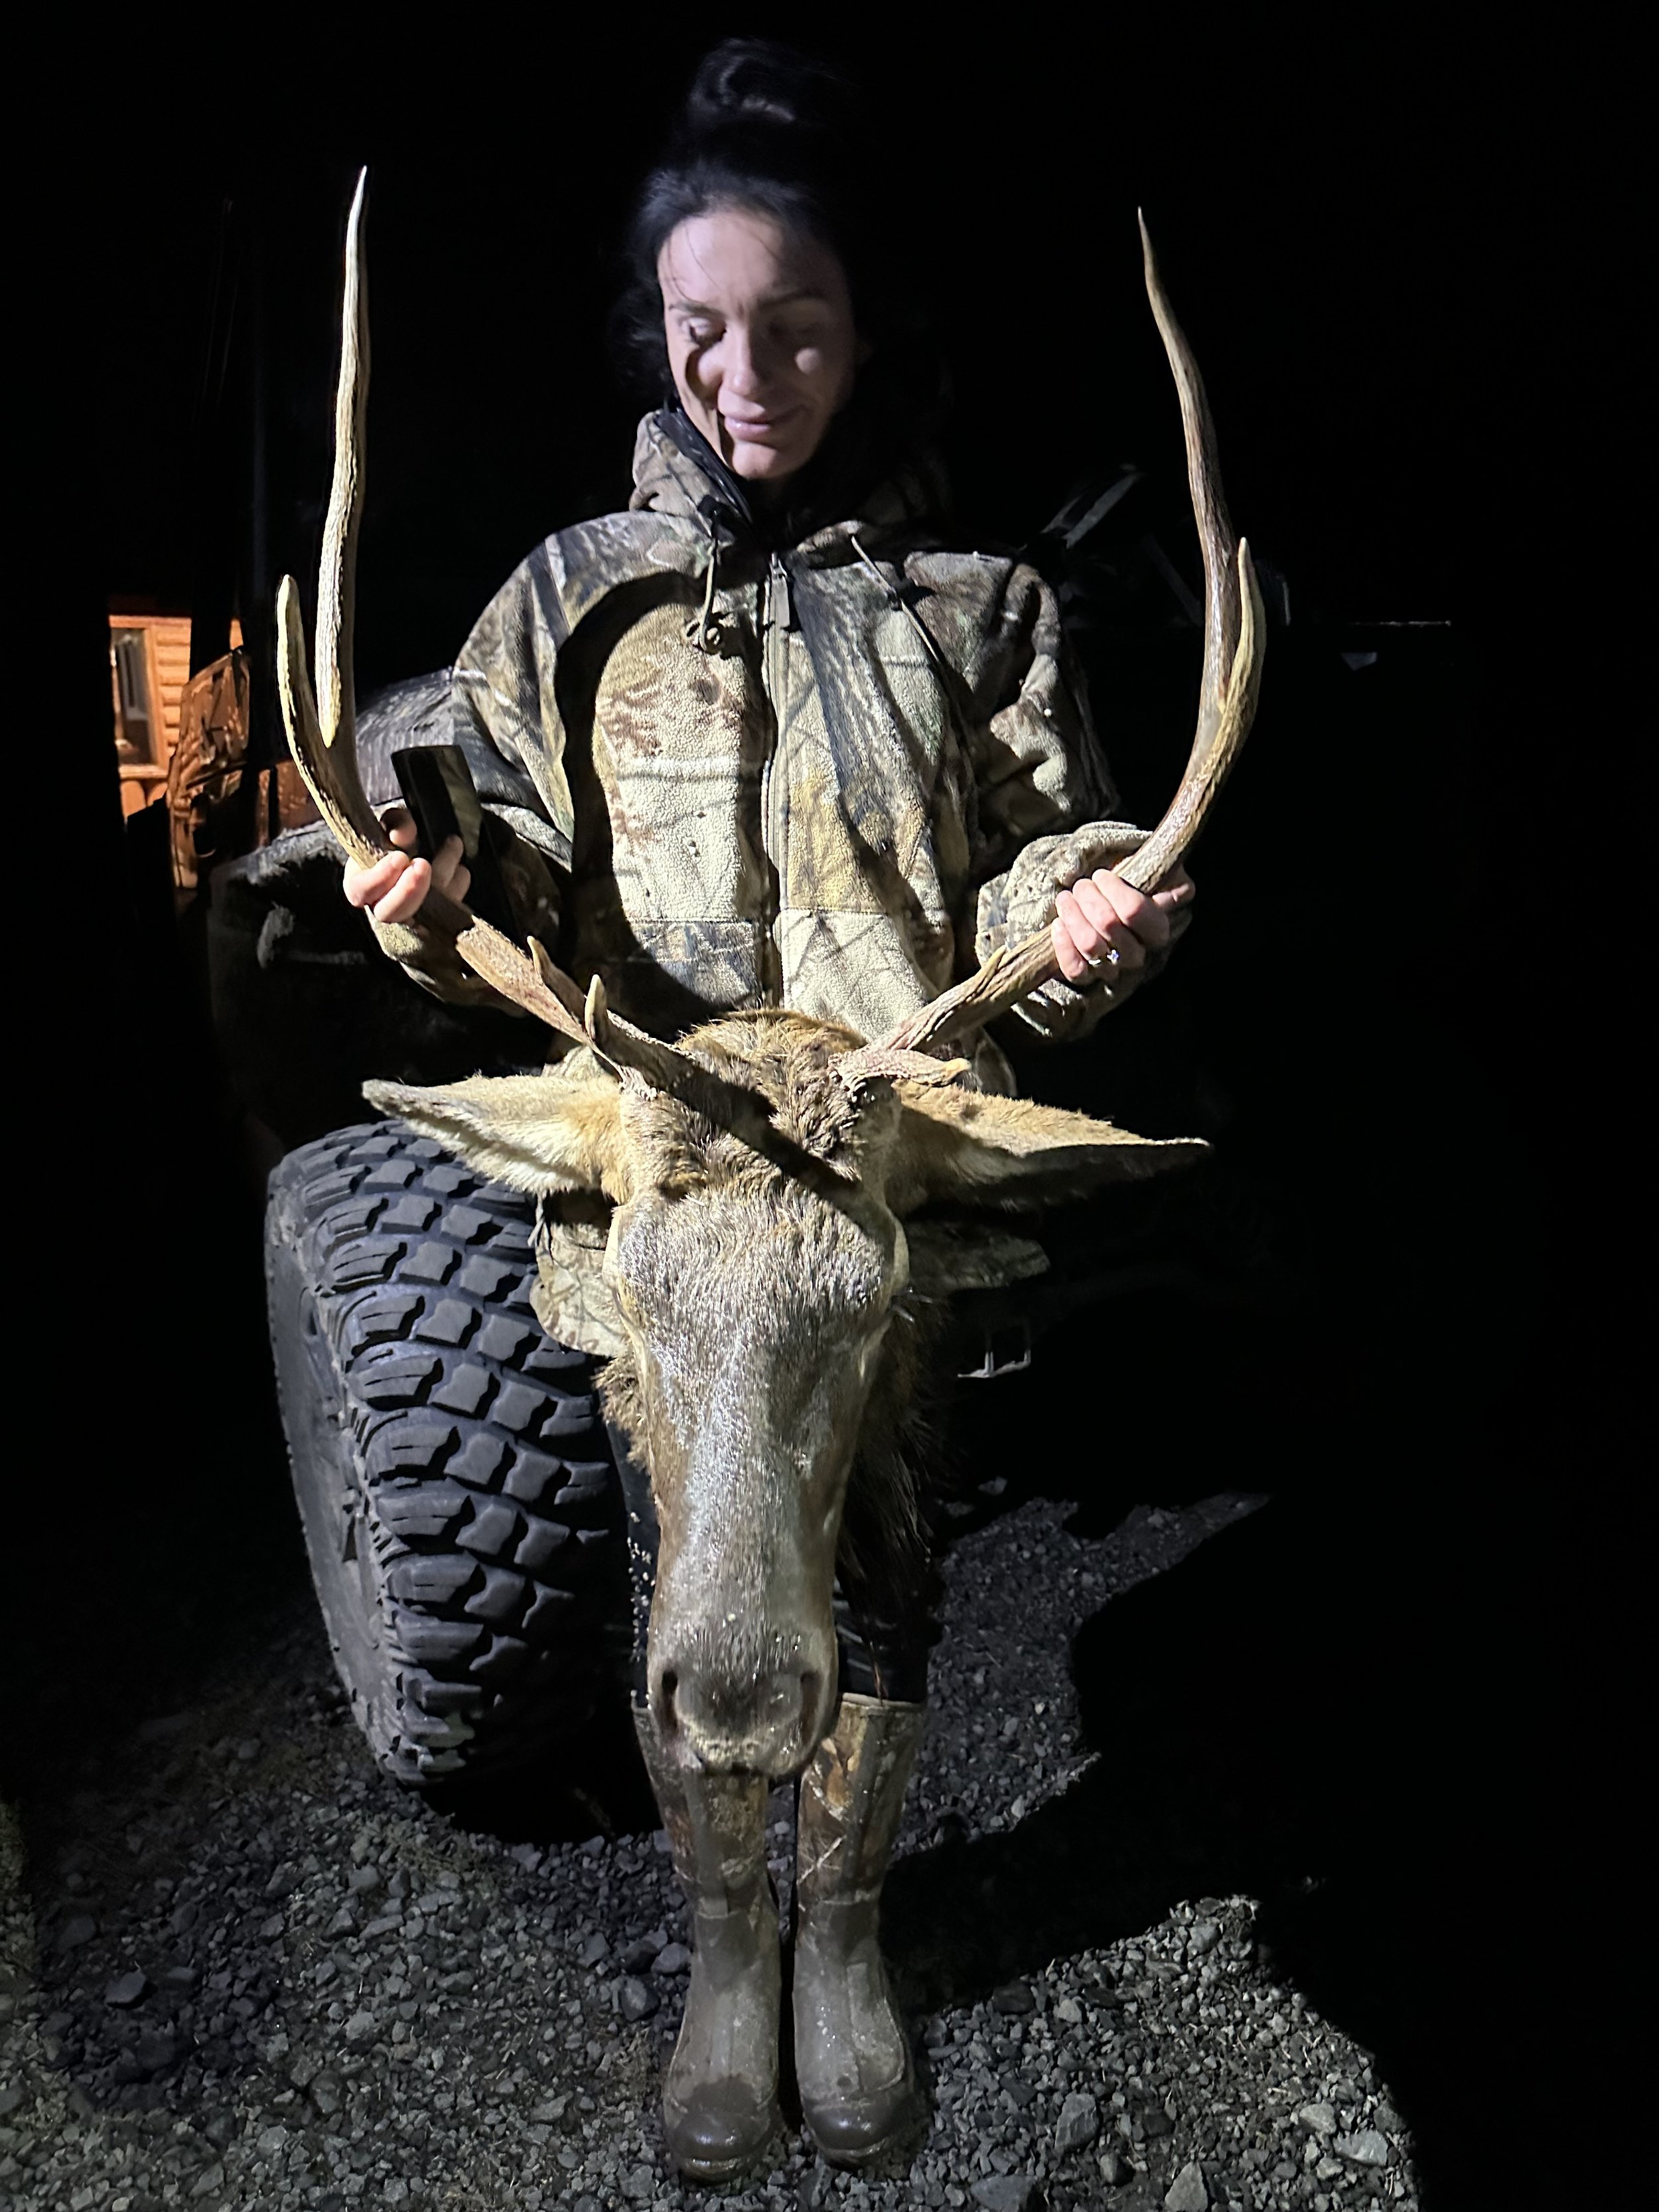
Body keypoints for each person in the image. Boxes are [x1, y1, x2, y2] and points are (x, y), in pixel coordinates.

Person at [340, 39, 1194, 2180]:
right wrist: (429, 894)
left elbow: (1035, 862)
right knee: (697, 1573)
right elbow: (492, 863)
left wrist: (1085, 914)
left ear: (862, 325)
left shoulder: (981, 608)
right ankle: (732, 1950)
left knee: (884, 1575)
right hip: (666, 1180)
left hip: (878, 1175)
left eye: (796, 327)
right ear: (659, 326)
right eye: (703, 329)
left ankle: (844, 1934)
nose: (747, 376)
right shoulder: (565, 598)